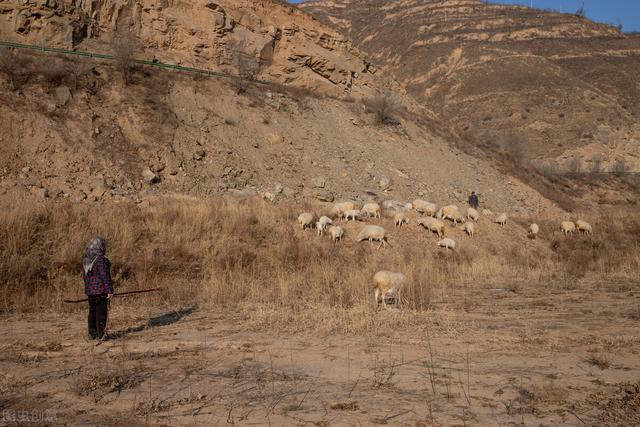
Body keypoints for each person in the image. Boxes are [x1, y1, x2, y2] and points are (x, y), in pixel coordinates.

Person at [82, 236, 113, 340]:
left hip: (90, 292)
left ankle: (92, 334)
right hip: (101, 291)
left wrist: (89, 288)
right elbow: (105, 276)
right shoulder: (101, 260)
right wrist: (110, 291)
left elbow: (84, 277)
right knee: (101, 313)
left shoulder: (86, 259)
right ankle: (102, 335)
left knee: (92, 312)